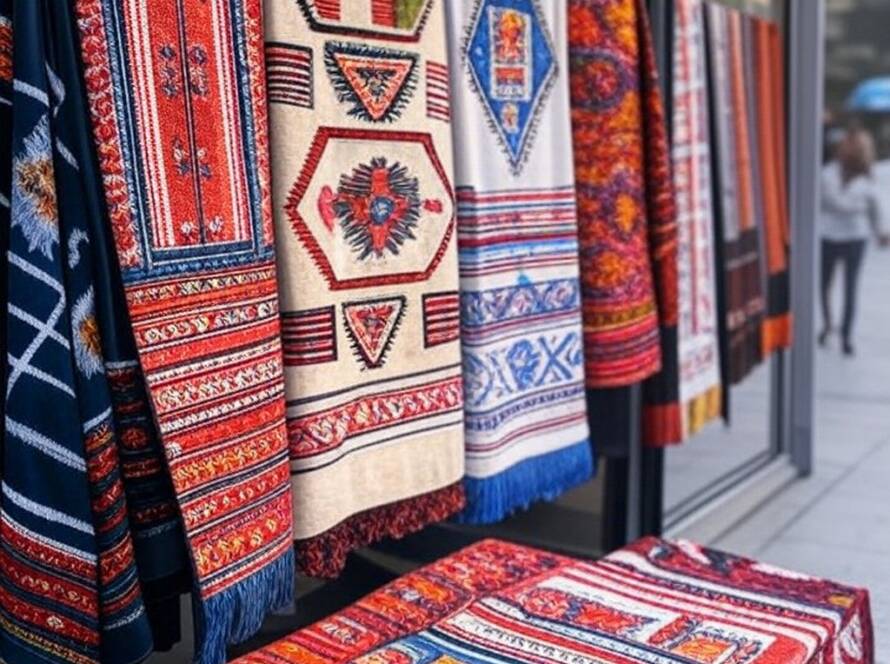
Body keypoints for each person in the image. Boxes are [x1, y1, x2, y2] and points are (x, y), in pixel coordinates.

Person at [819, 128, 889, 356]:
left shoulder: (869, 177)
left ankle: (846, 334)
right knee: (824, 284)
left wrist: (881, 231)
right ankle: (828, 324)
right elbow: (823, 200)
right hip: (829, 234)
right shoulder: (828, 173)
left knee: (851, 287)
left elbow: (876, 206)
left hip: (855, 236)